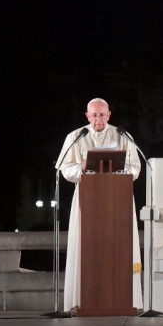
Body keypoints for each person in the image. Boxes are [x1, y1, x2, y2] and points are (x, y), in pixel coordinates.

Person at [55, 97, 142, 312]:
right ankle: (82, 300)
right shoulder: (76, 137)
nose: (98, 119)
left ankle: (125, 300)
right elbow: (65, 170)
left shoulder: (123, 136)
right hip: (88, 199)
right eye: (94, 115)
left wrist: (117, 172)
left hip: (118, 200)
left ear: (109, 115)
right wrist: (83, 168)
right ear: (87, 116)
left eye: (102, 115)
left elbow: (136, 168)